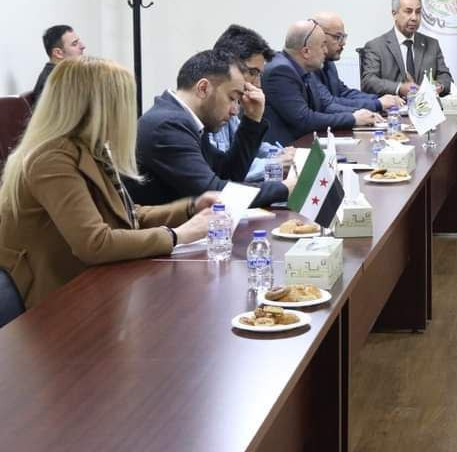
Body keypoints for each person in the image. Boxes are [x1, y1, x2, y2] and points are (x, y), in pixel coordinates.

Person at [0, 57, 216, 309]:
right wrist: (178, 235)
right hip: (54, 301)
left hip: (84, 283)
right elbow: (94, 243)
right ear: (100, 108)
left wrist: (190, 208)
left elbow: (126, 215)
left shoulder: (88, 148)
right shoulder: (51, 159)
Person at [128, 49, 291, 208]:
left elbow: (228, 174)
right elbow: (213, 193)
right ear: (203, 88)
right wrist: (284, 188)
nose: (235, 111)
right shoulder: (167, 126)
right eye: (232, 98)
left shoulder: (187, 119)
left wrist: (252, 120)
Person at [263, 19, 380, 145]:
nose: (326, 51)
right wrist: (353, 118)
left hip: (305, 141)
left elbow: (325, 105)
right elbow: (304, 119)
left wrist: (362, 114)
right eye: (322, 45)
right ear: (306, 52)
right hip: (283, 149)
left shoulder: (304, 67)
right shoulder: (280, 71)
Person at [210, 25, 295, 183]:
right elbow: (221, 173)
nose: (258, 84)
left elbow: (248, 151)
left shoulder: (233, 103)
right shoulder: (206, 111)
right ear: (229, 66)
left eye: (259, 74)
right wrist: (275, 164)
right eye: (252, 73)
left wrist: (282, 154)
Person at [361, 0, 453, 97]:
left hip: (427, 104)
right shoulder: (376, 46)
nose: (414, 18)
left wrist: (439, 86)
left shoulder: (432, 44)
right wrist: (399, 88)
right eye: (408, 11)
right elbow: (368, 81)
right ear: (394, 14)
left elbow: (446, 77)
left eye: (418, 12)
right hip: (393, 106)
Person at [311, 11, 402, 114]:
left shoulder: (329, 62)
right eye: (337, 37)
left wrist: (380, 99)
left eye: (343, 37)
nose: (343, 43)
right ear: (319, 35)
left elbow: (343, 93)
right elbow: (329, 103)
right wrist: (377, 104)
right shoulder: (309, 66)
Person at [31, 24, 86, 106]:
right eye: (74, 44)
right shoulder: (55, 80)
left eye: (79, 42)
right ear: (58, 53)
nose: (83, 46)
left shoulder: (64, 74)